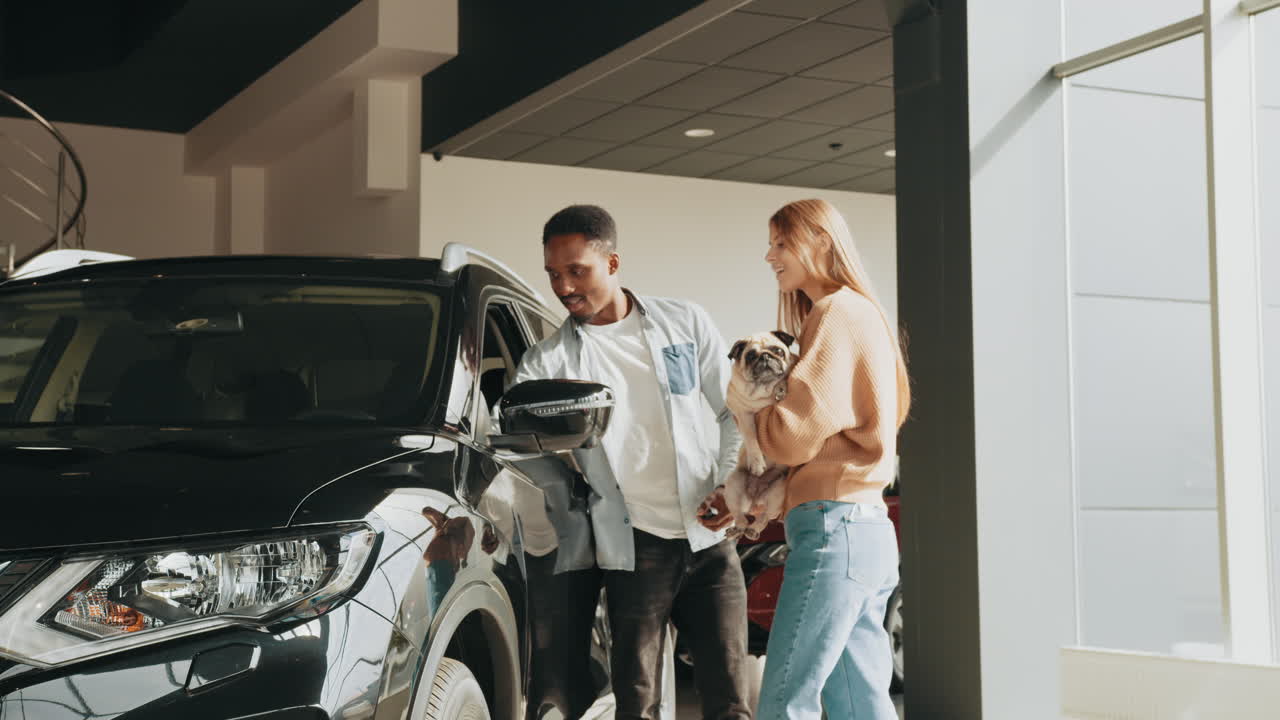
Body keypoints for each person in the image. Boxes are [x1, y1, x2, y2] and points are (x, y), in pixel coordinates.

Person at [510, 204, 752, 720]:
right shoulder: (546, 364)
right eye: (554, 273)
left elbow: (734, 415)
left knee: (730, 699)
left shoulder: (685, 322)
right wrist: (572, 498)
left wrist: (730, 485)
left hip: (709, 537)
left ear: (613, 263)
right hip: (634, 548)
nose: (564, 286)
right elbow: (517, 444)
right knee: (636, 701)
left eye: (578, 270)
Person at [739, 198, 909, 720]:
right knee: (860, 705)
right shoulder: (862, 313)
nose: (770, 256)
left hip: (835, 531)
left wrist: (759, 407)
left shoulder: (836, 312)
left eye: (781, 242)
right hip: (865, 530)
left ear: (821, 242)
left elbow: (791, 437)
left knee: (786, 702)